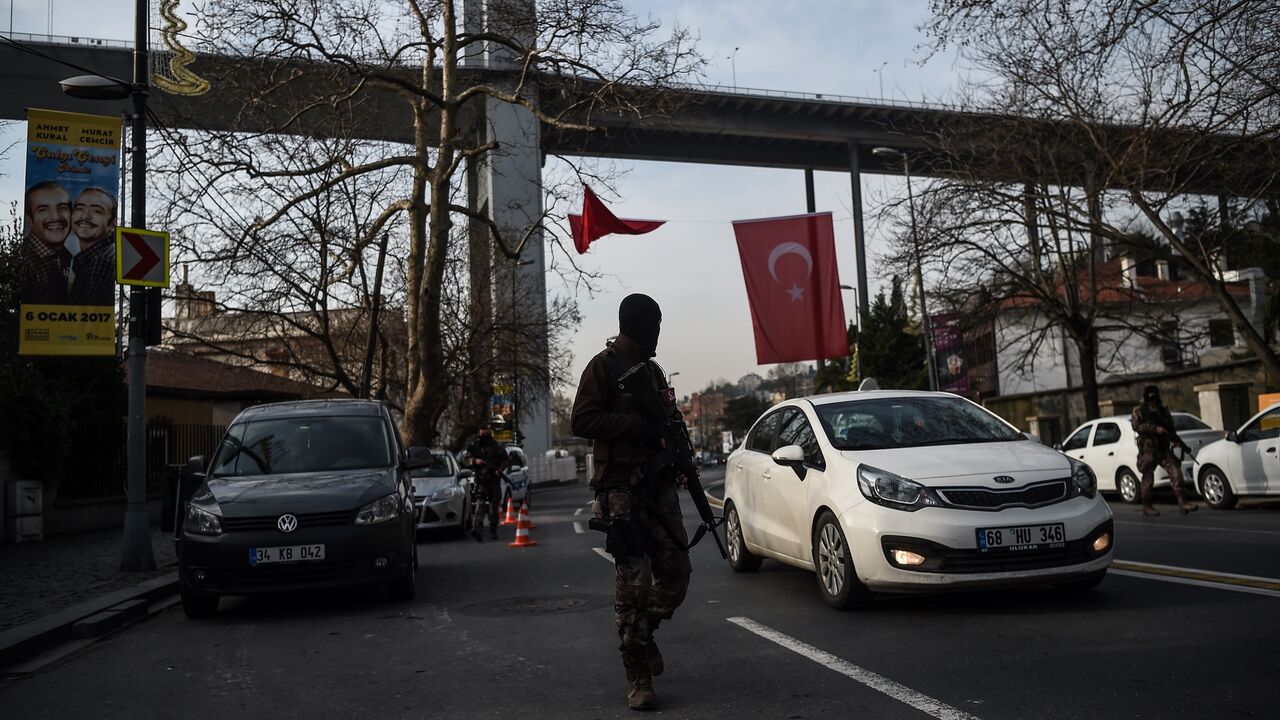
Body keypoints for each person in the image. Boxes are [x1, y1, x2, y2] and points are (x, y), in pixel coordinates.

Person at [571, 293, 691, 712]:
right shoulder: (602, 368)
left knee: (677, 573)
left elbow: (668, 421)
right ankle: (636, 673)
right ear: (639, 323)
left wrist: (678, 455)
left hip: (658, 487)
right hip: (622, 492)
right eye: (654, 322)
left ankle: (647, 630)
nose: (658, 330)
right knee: (632, 587)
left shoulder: (653, 372)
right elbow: (581, 420)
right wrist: (634, 426)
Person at [1130, 385, 1197, 516]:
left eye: (1154, 398)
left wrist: (1176, 441)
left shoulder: (1163, 411)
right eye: (1151, 399)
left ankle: (1182, 502)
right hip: (1148, 448)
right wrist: (1154, 429)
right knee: (1148, 478)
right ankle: (1147, 505)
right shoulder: (1139, 410)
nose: (1153, 401)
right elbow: (1136, 426)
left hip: (1163, 447)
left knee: (1176, 471)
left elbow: (1170, 428)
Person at [21, 181, 75, 305]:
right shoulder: (26, 261)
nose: (56, 217)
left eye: (63, 208)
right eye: (43, 210)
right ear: (30, 220)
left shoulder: (66, 257)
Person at [68, 187, 118, 307]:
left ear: (112, 224)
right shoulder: (88, 259)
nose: (85, 216)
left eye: (97, 211)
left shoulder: (101, 260)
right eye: (79, 208)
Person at [466, 425, 509, 541]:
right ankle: (478, 530)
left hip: (494, 481)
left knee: (493, 507)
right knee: (480, 505)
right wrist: (475, 461)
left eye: (486, 434)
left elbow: (506, 460)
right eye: (482, 434)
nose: (484, 437)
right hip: (481, 480)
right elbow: (465, 460)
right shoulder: (475, 446)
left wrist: (499, 469)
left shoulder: (497, 446)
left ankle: (493, 530)